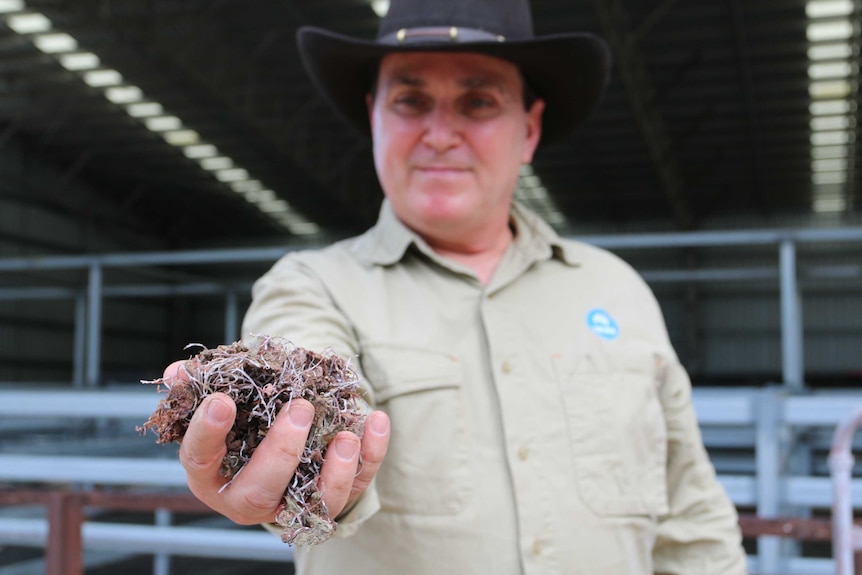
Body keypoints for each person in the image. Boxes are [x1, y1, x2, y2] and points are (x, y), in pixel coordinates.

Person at [167, 0, 748, 573]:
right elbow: (303, 359)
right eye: (410, 100)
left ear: (529, 128)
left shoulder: (617, 289)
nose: (440, 133)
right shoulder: (313, 285)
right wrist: (288, 444)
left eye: (478, 101)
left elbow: (692, 517)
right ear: (374, 116)